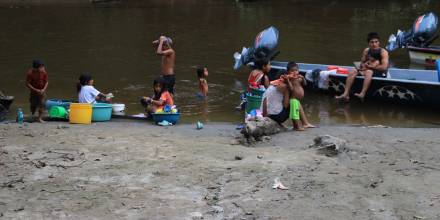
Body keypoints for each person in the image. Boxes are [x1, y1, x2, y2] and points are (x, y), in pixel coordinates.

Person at [335, 32, 389, 101]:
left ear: (379, 42)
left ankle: (362, 93)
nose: (374, 44)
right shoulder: (366, 51)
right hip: (368, 69)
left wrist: (370, 67)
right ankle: (346, 94)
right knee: (353, 71)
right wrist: (363, 66)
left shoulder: (383, 52)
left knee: (369, 72)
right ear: (369, 43)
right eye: (372, 42)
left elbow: (384, 67)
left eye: (376, 42)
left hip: (380, 72)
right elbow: (362, 63)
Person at [285, 62, 315, 129]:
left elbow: (305, 84)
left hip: (297, 100)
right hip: (293, 99)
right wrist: (288, 81)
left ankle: (305, 123)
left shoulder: (299, 78)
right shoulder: (290, 79)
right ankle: (296, 126)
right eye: (292, 71)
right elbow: (291, 89)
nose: (294, 72)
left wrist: (303, 78)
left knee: (300, 112)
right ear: (288, 72)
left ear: (298, 71)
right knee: (295, 114)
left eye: (296, 70)